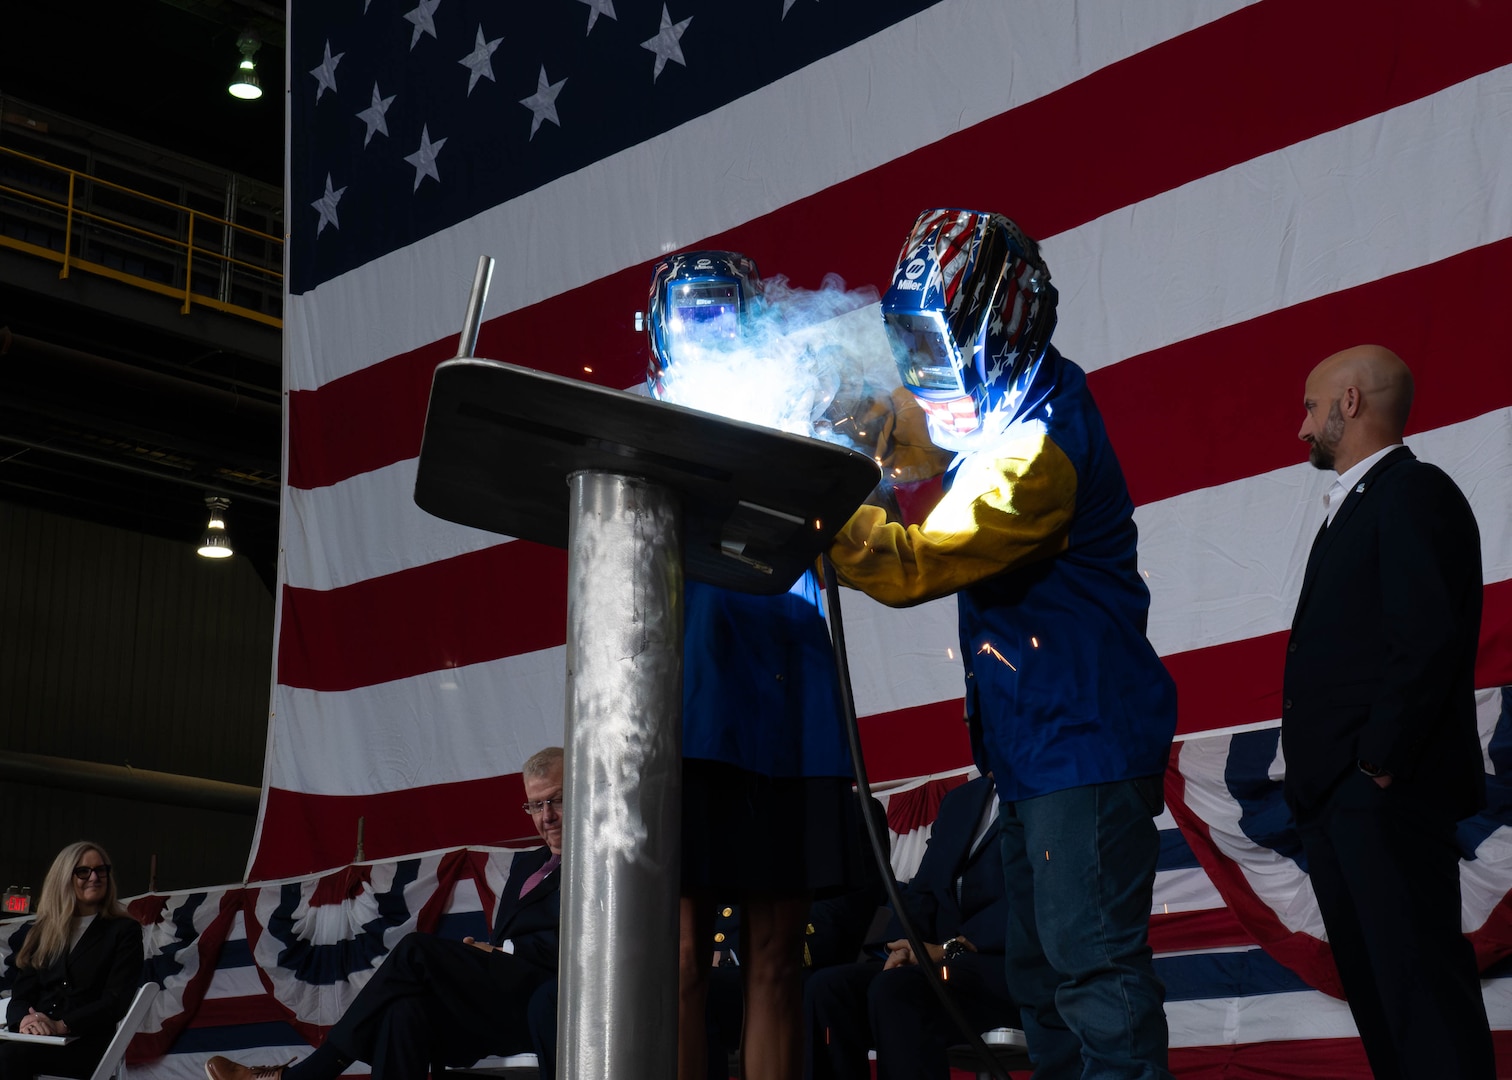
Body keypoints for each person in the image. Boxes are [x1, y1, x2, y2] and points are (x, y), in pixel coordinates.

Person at [828, 209, 1177, 1079]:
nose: (920, 372)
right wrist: (837, 418)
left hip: (1082, 749)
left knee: (1091, 976)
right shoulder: (1005, 402)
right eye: (909, 346)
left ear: (999, 332)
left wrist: (813, 499)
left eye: (933, 349)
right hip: (1035, 754)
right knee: (1041, 982)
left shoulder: (1037, 452)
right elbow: (912, 437)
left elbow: (909, 567)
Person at [643, 250, 863, 1080]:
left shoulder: (792, 408)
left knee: (777, 956)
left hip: (791, 705)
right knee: (681, 956)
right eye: (691, 316)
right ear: (663, 332)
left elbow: (857, 510)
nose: (710, 331)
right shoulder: (653, 423)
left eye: (724, 313)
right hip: (694, 706)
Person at [1284, 344, 1492, 1079]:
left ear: (1349, 402)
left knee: (1420, 996)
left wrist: (1377, 763)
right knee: (1380, 1001)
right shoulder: (1357, 508)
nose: (1302, 429)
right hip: (1341, 804)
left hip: (1384, 796)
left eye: (1311, 407)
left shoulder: (1414, 491)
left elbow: (1425, 637)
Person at [205, 746, 566, 1080]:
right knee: (403, 1010)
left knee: (416, 951)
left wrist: (504, 954)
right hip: (503, 997)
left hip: (550, 996)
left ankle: (307, 1076)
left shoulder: (602, 866)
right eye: (535, 805)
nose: (546, 816)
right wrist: (489, 951)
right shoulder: (528, 864)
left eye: (556, 801)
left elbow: (585, 948)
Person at [805, 773, 1015, 1080]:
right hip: (938, 962)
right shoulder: (962, 799)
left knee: (895, 991)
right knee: (828, 990)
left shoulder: (1044, 791)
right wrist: (904, 943)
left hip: (1008, 962)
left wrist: (954, 946)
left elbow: (1038, 895)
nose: (969, 722)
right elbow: (923, 889)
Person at [1, 841, 144, 1080]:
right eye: (83, 871)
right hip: (35, 1039)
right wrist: (25, 1021)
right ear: (63, 878)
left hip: (84, 1043)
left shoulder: (123, 930)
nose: (94, 877)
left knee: (8, 1057)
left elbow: (115, 999)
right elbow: (21, 995)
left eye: (101, 870)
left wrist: (62, 1025)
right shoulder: (41, 932)